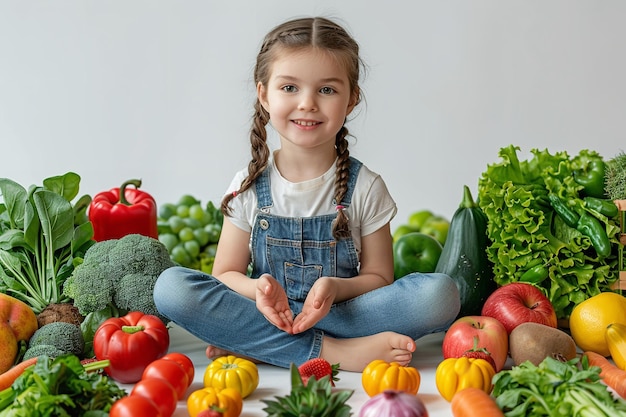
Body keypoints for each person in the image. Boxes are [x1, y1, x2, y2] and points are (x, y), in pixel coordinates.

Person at [154, 16, 460, 372]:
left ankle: (257, 343)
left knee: (440, 295)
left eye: (327, 90)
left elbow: (379, 279)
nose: (308, 103)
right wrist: (260, 290)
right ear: (263, 94)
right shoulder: (249, 184)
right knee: (172, 288)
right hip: (267, 314)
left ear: (351, 100)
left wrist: (335, 288)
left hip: (344, 314)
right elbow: (225, 275)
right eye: (289, 88)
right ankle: (337, 353)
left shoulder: (366, 186)